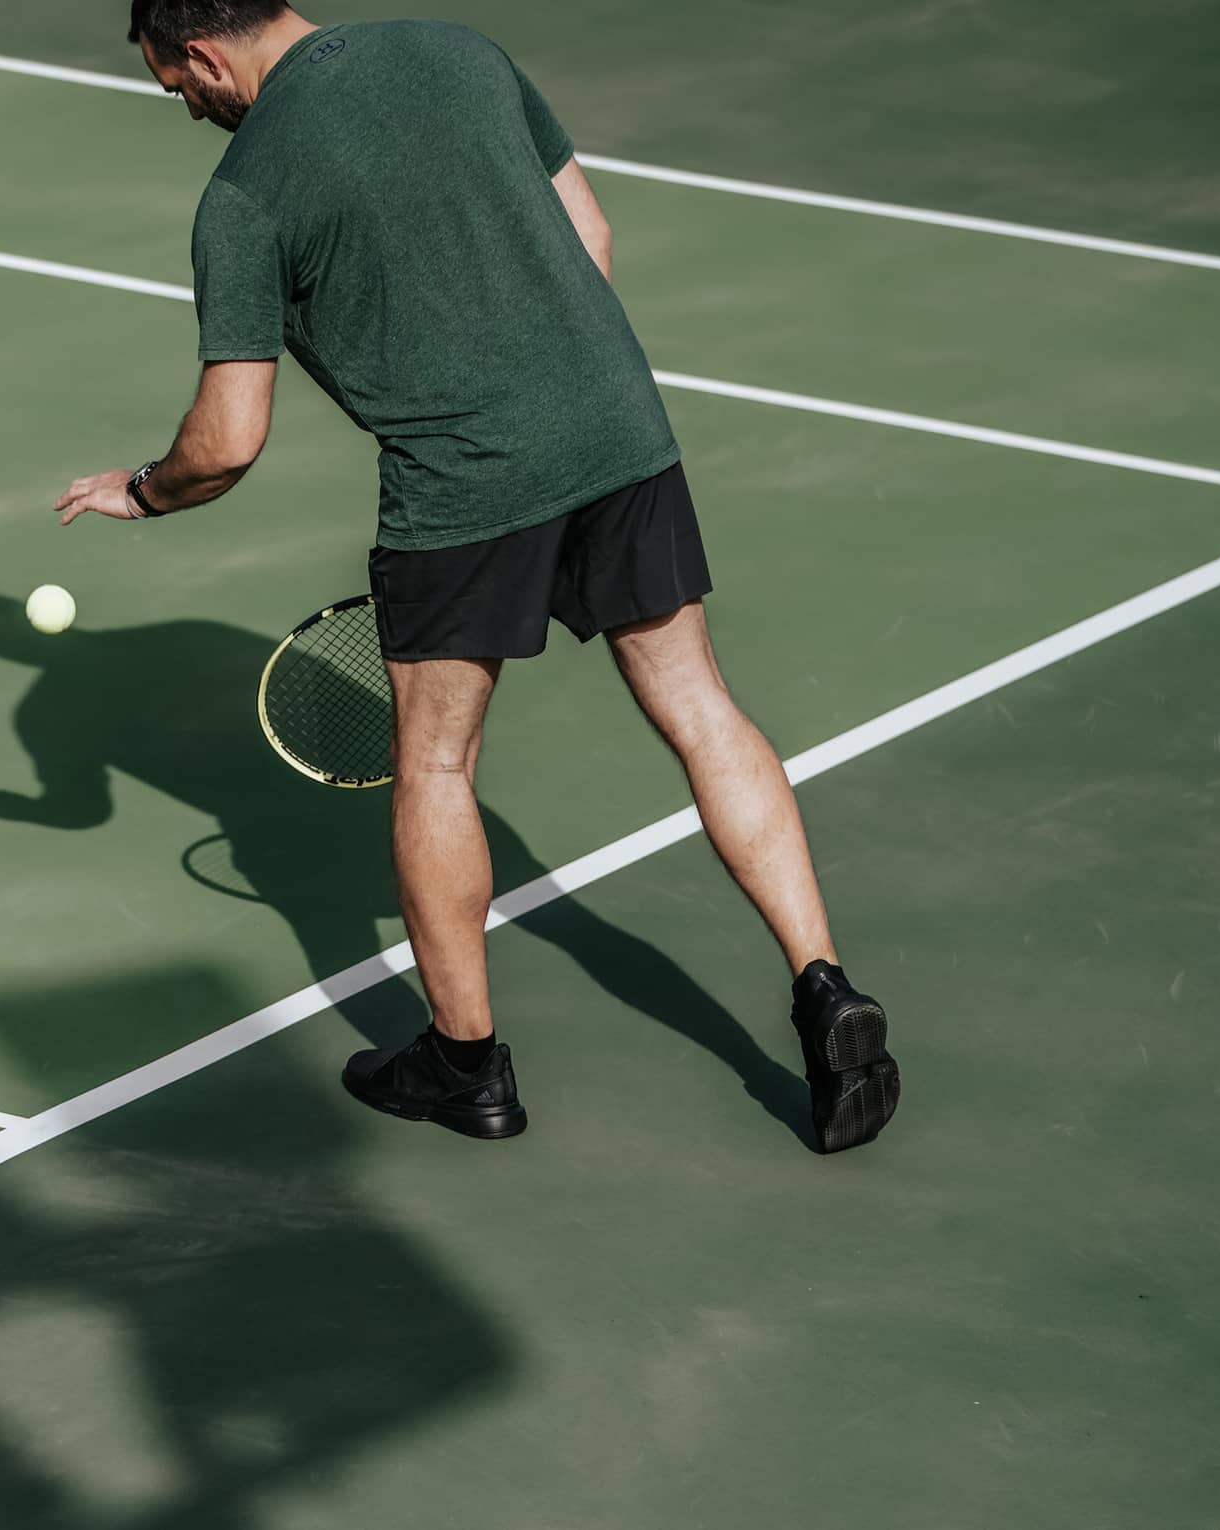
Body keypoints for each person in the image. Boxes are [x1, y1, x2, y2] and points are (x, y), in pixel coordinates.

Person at [54, 1, 900, 1153]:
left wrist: (145, 490)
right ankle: (824, 988)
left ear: (202, 52)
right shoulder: (457, 49)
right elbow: (589, 235)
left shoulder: (246, 194)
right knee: (702, 709)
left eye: (176, 86)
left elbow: (229, 440)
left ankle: (465, 1066)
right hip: (617, 433)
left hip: (463, 492)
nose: (186, 107)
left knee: (437, 764)